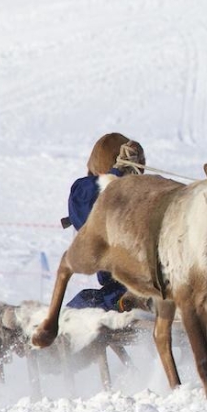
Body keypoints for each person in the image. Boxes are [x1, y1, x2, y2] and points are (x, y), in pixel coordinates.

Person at [63, 133, 146, 312]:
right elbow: (88, 206)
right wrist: (116, 174)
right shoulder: (87, 189)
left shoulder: (142, 193)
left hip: (132, 288)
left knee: (80, 308)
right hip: (123, 289)